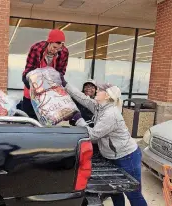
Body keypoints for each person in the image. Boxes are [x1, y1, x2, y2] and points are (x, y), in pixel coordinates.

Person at [60, 75, 147, 206]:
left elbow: (93, 135)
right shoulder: (99, 106)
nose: (96, 91)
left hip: (127, 157)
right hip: (112, 156)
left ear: (107, 96)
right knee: (115, 191)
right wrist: (65, 84)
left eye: (99, 90)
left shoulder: (110, 114)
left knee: (133, 194)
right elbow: (81, 97)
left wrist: (78, 119)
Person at [21, 29, 69, 119]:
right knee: (28, 118)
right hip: (32, 87)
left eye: (59, 49)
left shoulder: (64, 52)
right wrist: (34, 89)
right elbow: (28, 71)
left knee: (46, 119)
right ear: (49, 42)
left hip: (49, 92)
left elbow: (61, 73)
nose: (56, 51)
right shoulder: (36, 49)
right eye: (54, 47)